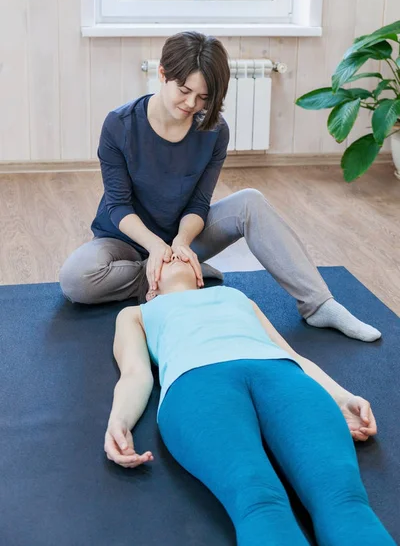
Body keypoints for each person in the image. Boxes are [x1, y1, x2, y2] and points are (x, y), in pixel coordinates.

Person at [59, 31, 380, 343]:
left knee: (250, 201)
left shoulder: (214, 131)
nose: (191, 104)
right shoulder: (120, 125)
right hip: (126, 239)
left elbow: (199, 203)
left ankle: (320, 305)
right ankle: (173, 276)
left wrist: (181, 244)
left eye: (203, 97)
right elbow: (118, 206)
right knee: (76, 278)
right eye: (184, 90)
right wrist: (157, 249)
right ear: (162, 73)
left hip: (186, 239)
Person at [104, 254, 396, 546]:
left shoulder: (237, 296)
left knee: (344, 497)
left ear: (199, 275)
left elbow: (292, 354)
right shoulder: (138, 313)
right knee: (258, 501)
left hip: (281, 374)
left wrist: (343, 397)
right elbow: (135, 374)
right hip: (196, 385)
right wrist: (120, 420)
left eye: (183, 252)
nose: (175, 252)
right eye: (165, 257)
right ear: (151, 285)